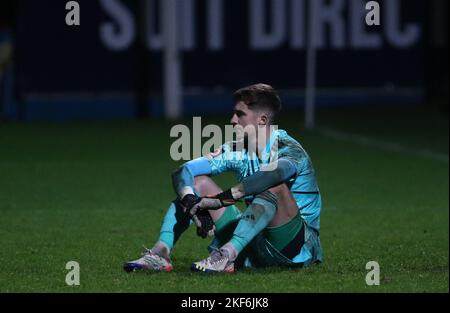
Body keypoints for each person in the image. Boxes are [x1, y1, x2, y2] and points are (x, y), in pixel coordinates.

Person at [123, 83, 322, 273]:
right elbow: (183, 171)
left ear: (262, 120)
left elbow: (273, 175)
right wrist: (191, 202)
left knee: (274, 187)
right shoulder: (237, 149)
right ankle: (160, 253)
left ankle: (226, 255)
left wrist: (219, 201)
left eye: (240, 114)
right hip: (256, 240)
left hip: (295, 247)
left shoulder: (289, 149)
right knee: (197, 183)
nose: (232, 120)